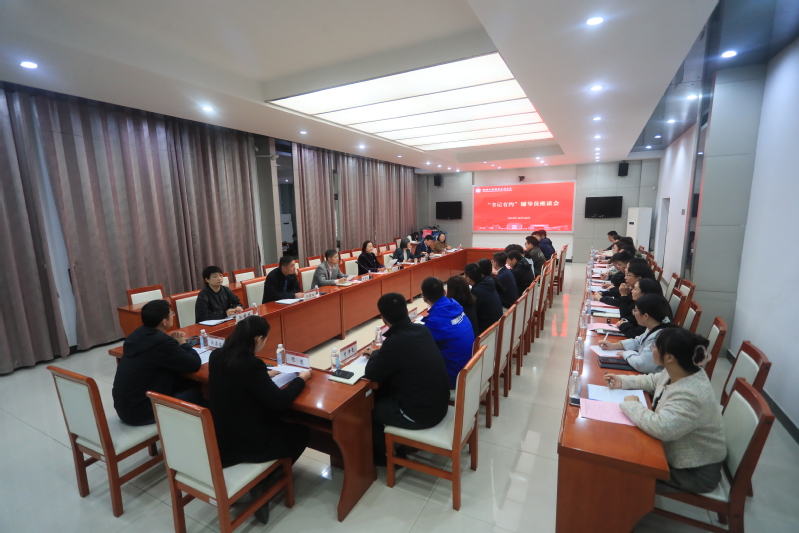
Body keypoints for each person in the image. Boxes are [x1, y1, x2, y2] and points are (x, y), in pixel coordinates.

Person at [208, 316, 311, 524]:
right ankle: (266, 481)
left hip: (221, 437)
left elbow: (237, 380)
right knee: (303, 432)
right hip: (248, 442)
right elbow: (279, 401)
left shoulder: (216, 355)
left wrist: (264, 375)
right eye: (265, 339)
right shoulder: (251, 365)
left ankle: (264, 480)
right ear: (257, 339)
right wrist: (301, 379)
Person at [604, 329, 726, 494]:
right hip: (675, 455)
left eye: (655, 346)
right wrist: (622, 381)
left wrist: (633, 405)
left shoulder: (692, 394)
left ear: (669, 357)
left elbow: (661, 428)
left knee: (617, 473)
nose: (652, 349)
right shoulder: (680, 370)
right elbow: (653, 381)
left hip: (693, 471)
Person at [363, 293, 450, 465]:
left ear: (383, 318)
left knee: (369, 411)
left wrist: (375, 355)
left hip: (421, 415)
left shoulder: (394, 342)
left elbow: (371, 373)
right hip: (440, 405)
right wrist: (381, 353)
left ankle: (386, 459)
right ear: (406, 310)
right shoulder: (422, 330)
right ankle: (396, 445)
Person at [113, 300, 202, 426]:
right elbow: (194, 364)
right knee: (199, 395)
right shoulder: (161, 343)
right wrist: (183, 343)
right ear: (164, 321)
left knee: (181, 384)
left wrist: (172, 343)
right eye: (171, 313)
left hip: (125, 407)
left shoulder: (136, 334)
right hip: (142, 412)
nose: (173, 315)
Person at [420, 277, 475, 388]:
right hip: (471, 367)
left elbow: (420, 348)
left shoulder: (435, 322)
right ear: (444, 292)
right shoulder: (455, 304)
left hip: (453, 376)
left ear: (424, 298)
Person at [599, 294, 675, 373]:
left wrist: (626, 354)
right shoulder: (652, 327)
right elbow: (638, 342)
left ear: (646, 316)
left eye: (635, 311)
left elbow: (643, 365)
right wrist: (614, 346)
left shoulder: (659, 337)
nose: (633, 313)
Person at [464, 262, 503, 334]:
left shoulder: (477, 291)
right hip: (497, 323)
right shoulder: (488, 281)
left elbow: (470, 311)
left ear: (468, 278)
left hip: (487, 329)